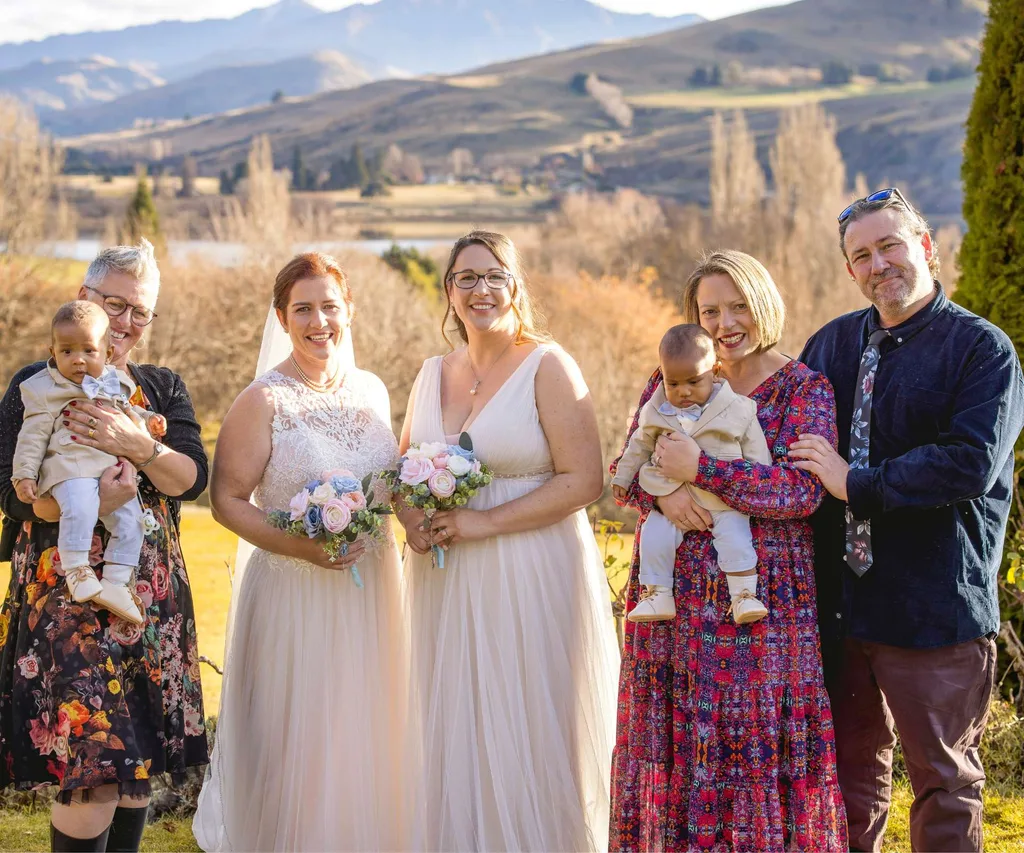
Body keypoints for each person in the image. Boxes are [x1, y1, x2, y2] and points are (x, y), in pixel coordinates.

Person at [793, 187, 1024, 852]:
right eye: (861, 254)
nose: (878, 263)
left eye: (889, 244)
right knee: (848, 777)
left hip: (934, 604)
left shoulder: (983, 350)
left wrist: (853, 481)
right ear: (850, 270)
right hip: (842, 605)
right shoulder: (830, 345)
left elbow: (967, 462)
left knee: (944, 781)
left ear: (926, 246)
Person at [609, 250, 847, 850]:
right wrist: (662, 500)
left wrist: (706, 470)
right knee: (674, 743)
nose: (724, 323)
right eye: (709, 310)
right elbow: (626, 469)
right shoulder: (668, 381)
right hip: (670, 605)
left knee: (748, 746)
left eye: (737, 306)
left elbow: (801, 494)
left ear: (762, 304)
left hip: (758, 601)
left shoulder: (802, 388)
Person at [397, 230, 619, 851]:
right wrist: (414, 521)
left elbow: (584, 479)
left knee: (531, 717)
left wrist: (483, 523)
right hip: (445, 574)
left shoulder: (549, 364)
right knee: (458, 721)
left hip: (531, 565)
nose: (481, 289)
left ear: (516, 285)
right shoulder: (430, 373)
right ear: (449, 292)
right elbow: (403, 471)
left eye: (494, 275)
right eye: (466, 278)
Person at [192, 252, 409, 852]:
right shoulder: (263, 400)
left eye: (330, 307)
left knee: (369, 730)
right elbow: (228, 500)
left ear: (349, 312)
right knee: (302, 739)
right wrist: (302, 546)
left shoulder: (371, 389)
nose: (320, 322)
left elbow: (385, 484)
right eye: (303, 309)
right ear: (282, 318)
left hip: (374, 585)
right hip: (295, 590)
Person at [0, 239, 209, 852]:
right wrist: (96, 502)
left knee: (135, 769)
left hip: (146, 596)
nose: (124, 322)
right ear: (82, 299)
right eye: (112, 303)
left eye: (138, 311)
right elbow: (12, 497)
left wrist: (140, 447)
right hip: (64, 601)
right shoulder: (33, 385)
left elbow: (190, 480)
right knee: (92, 769)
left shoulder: (160, 388)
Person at [12, 301, 167, 625]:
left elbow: (127, 411)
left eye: (88, 350)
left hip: (109, 469)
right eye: (67, 351)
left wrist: (150, 419)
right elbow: (32, 435)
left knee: (131, 521)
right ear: (52, 351)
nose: (78, 359)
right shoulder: (44, 389)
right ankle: (77, 568)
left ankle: (115, 580)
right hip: (71, 466)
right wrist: (24, 474)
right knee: (80, 507)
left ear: (107, 353)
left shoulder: (114, 383)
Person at [611, 322, 771, 624]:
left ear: (716, 371)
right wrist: (623, 477)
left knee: (735, 537)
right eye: (673, 384)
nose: (683, 392)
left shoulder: (738, 409)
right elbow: (637, 445)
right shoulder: (655, 410)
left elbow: (756, 452)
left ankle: (744, 595)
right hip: (667, 490)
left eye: (694, 382)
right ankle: (658, 593)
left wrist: (755, 480)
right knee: (654, 533)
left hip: (721, 500)